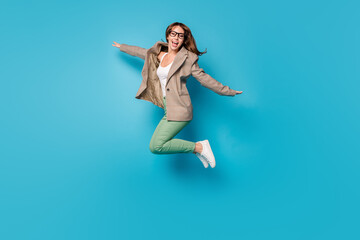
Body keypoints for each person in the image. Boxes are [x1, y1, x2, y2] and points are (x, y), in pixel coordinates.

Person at [112, 22, 243, 168]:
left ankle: (199, 148)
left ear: (183, 40)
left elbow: (204, 79)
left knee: (156, 146)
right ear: (168, 36)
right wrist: (122, 47)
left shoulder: (188, 59)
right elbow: (142, 52)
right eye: (173, 34)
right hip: (168, 108)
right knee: (157, 145)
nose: (176, 38)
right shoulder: (160, 55)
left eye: (180, 36)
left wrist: (228, 91)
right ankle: (199, 148)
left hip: (180, 108)